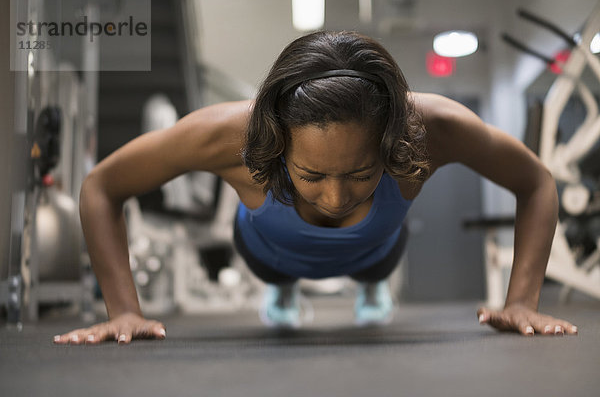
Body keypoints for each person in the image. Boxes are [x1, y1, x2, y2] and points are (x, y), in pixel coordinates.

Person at [53, 31, 578, 345]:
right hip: (266, 256)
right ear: (277, 142)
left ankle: (369, 287)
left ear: (392, 142)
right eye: (310, 176)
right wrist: (123, 310)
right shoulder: (225, 133)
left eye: (360, 175)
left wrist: (522, 301)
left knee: (374, 262)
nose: (333, 198)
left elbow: (534, 182)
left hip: (377, 253)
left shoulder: (432, 128)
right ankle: (283, 291)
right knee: (276, 269)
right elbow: (103, 187)